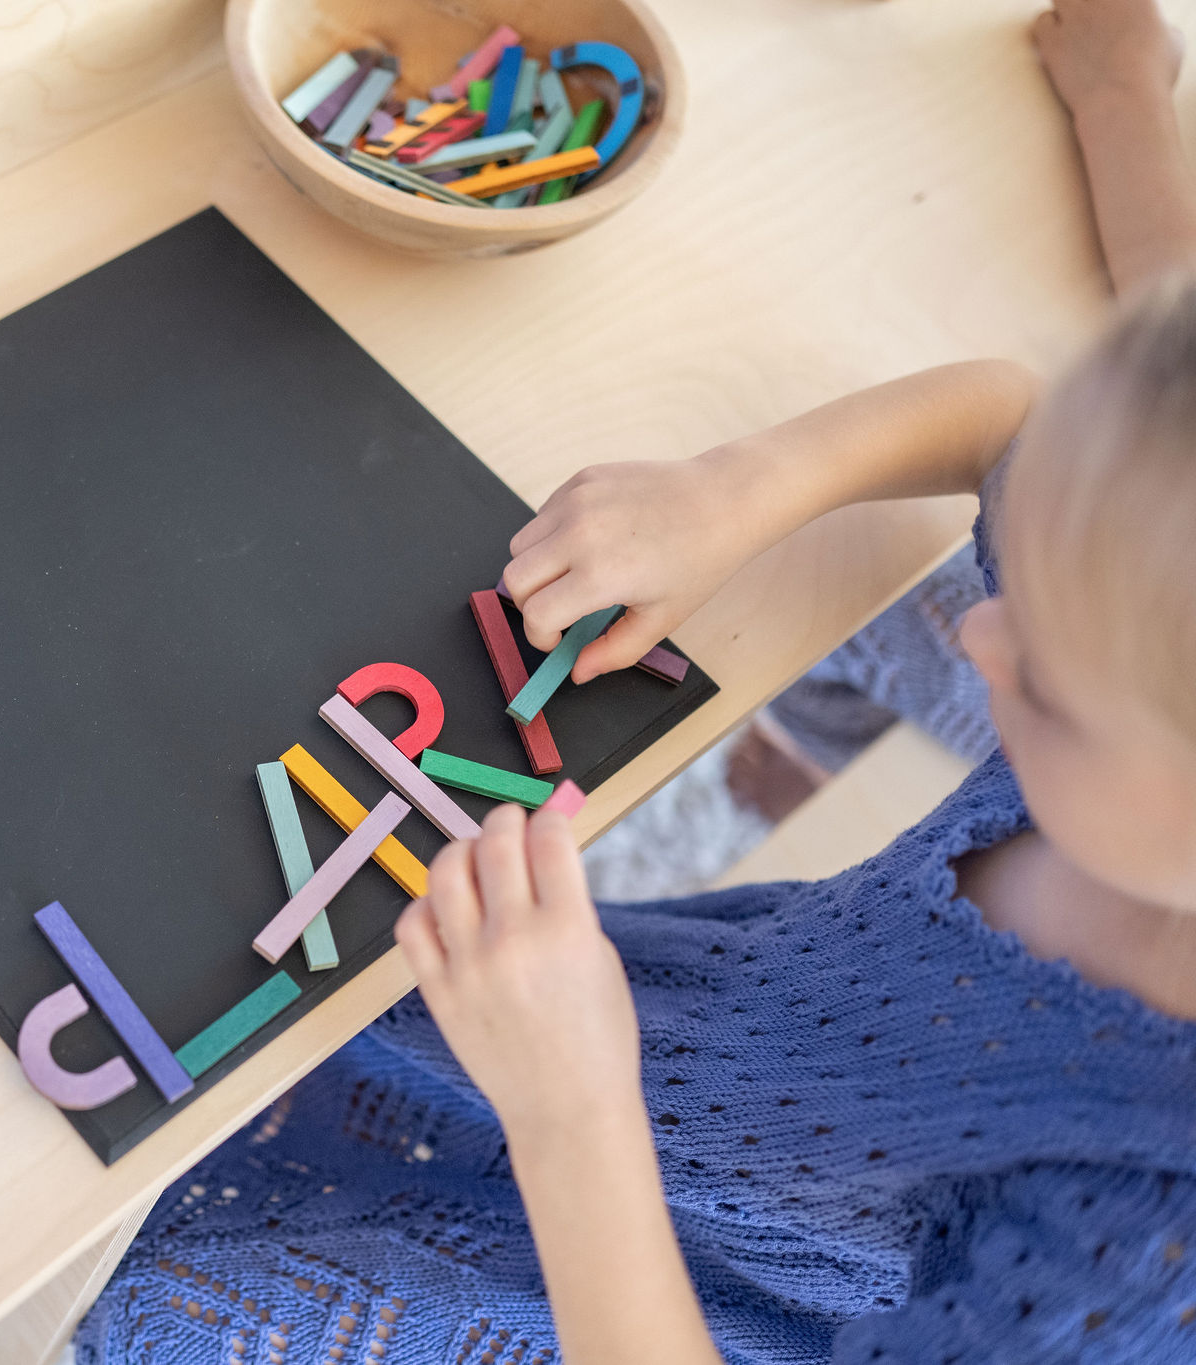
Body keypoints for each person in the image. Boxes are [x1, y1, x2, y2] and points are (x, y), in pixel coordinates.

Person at [77, 280, 1196, 1364]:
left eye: (1043, 682)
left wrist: (571, 1113)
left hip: (597, 1275)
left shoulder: (1153, 1247)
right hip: (625, 1026)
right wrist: (735, 486)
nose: (976, 640)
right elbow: (1007, 415)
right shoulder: (1134, 632)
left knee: (138, 1284)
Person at [730, 0, 1196, 822]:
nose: (987, 634)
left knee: (862, 636)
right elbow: (1169, 322)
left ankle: (814, 758)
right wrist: (1122, 98)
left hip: (1013, 766)